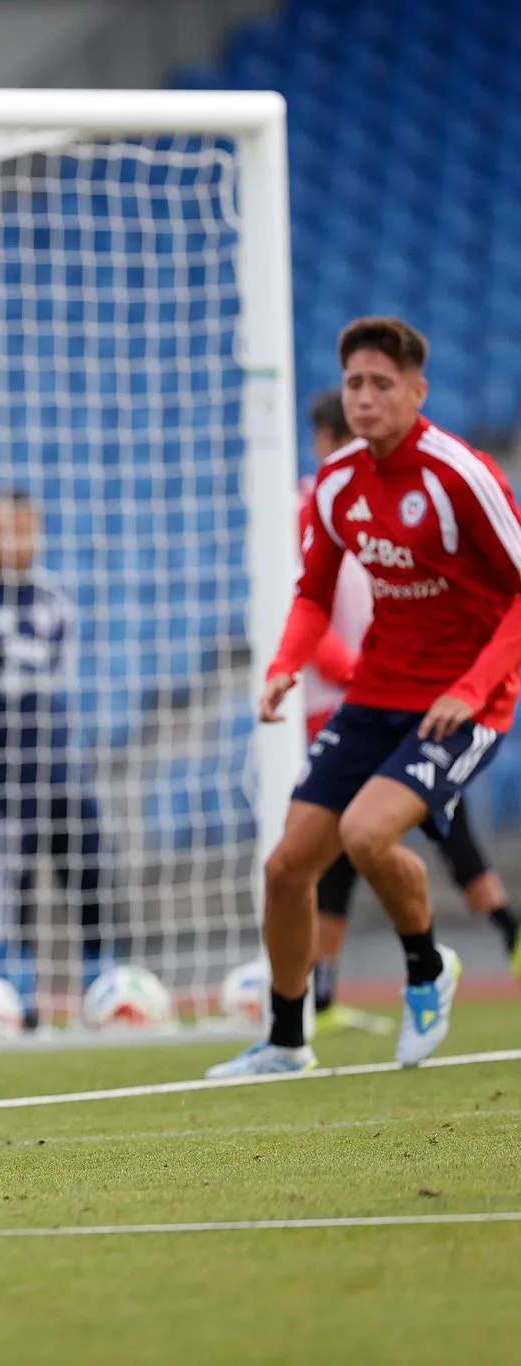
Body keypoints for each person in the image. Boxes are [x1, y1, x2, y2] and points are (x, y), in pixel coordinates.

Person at [211, 317, 521, 1078]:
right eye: (355, 383)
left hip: (466, 703)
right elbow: (313, 592)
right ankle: (287, 1041)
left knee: (367, 833)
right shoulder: (338, 484)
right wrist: (286, 663)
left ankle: (425, 969)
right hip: (375, 696)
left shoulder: (461, 476)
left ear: (418, 392)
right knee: (287, 867)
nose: (366, 397)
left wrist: (471, 687)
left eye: (383, 384)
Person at [299, 390, 519, 1036]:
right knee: (353, 843)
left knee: (419, 826)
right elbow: (309, 604)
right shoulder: (321, 504)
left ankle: (433, 962)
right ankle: (326, 990)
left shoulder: (404, 501)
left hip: (396, 697)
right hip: (350, 703)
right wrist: (352, 675)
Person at [0, 487, 108, 1027]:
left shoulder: (55, 599)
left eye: (21, 529)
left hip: (52, 754)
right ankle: (16, 985)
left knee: (88, 855)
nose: (12, 541)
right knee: (14, 871)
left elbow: (62, 685)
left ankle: (99, 974)